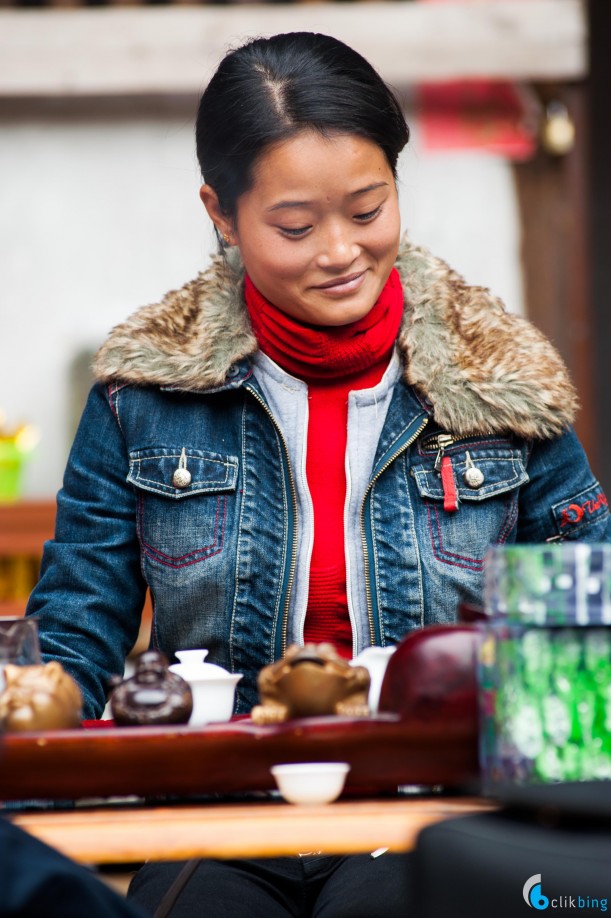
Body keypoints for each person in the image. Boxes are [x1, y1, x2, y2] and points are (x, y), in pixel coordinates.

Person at [26, 31, 610, 917]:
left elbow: (583, 633)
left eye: (368, 209)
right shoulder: (142, 396)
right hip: (215, 813)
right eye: (295, 225)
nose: (340, 251)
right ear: (220, 213)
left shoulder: (502, 390)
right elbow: (72, 636)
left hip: (428, 811)